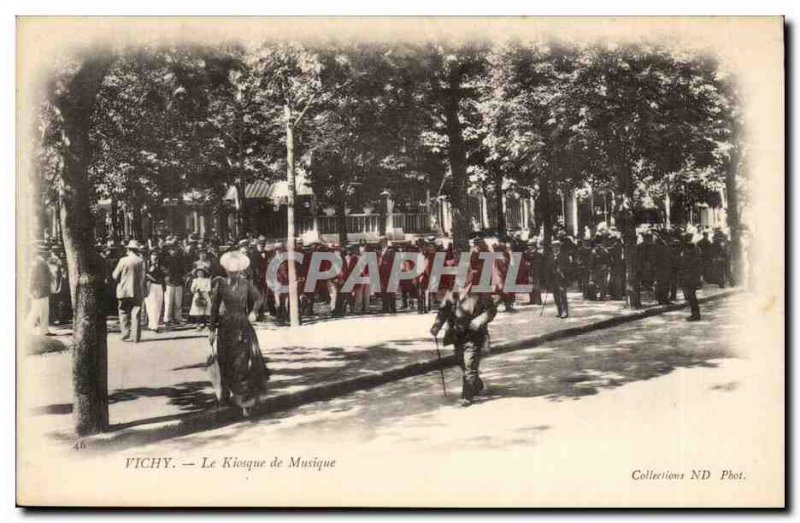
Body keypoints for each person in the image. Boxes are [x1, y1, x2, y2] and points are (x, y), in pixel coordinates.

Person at [208, 251, 269, 417]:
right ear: (227, 270)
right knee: (225, 359)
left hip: (239, 324)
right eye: (230, 271)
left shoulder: (245, 284)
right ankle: (227, 396)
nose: (232, 273)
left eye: (235, 271)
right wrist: (212, 330)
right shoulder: (221, 284)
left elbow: (259, 299)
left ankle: (243, 401)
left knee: (241, 361)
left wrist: (254, 311)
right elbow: (214, 307)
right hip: (227, 325)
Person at [430, 286, 498, 407]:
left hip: (474, 335)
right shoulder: (453, 291)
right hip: (457, 335)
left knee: (469, 364)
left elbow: (491, 310)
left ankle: (466, 395)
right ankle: (476, 383)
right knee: (460, 361)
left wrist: (479, 320)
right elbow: (444, 310)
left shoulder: (481, 290)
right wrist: (436, 326)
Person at [112, 239, 147, 342]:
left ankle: (125, 334)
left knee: (123, 312)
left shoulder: (123, 260)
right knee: (136, 313)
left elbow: (115, 276)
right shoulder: (141, 261)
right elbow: (143, 277)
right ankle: (136, 336)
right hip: (136, 291)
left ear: (129, 250)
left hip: (123, 291)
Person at [26, 242, 52, 336]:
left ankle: (44, 330)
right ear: (41, 253)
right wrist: (30, 290)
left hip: (43, 290)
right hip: (38, 290)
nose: (47, 253)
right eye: (45, 252)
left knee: (45, 311)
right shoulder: (37, 263)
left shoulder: (42, 262)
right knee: (35, 311)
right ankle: (27, 330)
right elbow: (32, 278)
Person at [679, 233, 703, 321]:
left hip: (690, 276)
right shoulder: (696, 249)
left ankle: (695, 315)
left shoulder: (689, 250)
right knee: (691, 296)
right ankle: (695, 314)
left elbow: (688, 264)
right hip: (693, 276)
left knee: (691, 296)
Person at [164, 243, 187, 326]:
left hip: (178, 282)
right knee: (168, 302)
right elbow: (164, 270)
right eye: (171, 250)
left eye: (174, 249)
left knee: (178, 302)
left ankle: (178, 317)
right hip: (169, 283)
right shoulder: (165, 260)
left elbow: (183, 270)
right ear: (169, 251)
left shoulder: (180, 260)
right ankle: (167, 319)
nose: (173, 251)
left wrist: (181, 277)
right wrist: (167, 277)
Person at [144, 250, 166, 332]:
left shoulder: (160, 265)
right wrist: (151, 274)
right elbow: (145, 274)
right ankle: (153, 325)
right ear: (150, 256)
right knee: (152, 305)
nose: (155, 256)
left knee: (158, 305)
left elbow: (163, 274)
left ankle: (154, 324)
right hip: (151, 285)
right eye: (153, 255)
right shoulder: (146, 264)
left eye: (156, 255)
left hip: (159, 285)